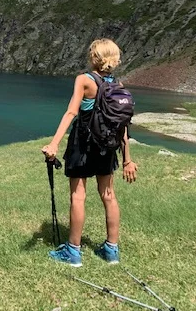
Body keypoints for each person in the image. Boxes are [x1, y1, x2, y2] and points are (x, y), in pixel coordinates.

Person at [41, 38, 138, 267]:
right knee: (108, 195)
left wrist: (54, 144)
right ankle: (111, 250)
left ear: (94, 57)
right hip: (107, 147)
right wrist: (127, 160)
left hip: (83, 146)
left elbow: (71, 112)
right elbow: (122, 126)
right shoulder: (118, 86)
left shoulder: (84, 80)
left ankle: (73, 252)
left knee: (78, 196)